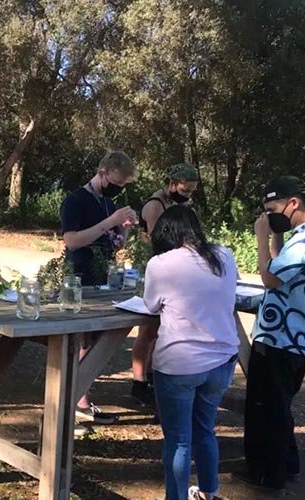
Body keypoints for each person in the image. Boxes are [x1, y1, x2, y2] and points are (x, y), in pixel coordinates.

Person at [233, 177, 305, 491]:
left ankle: (266, 474)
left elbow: (270, 278)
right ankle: (287, 464)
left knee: (266, 406)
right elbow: (283, 267)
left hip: (283, 336)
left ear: (293, 203)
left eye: (271, 210)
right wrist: (276, 236)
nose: (267, 217)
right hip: (292, 333)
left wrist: (261, 239)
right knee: (279, 403)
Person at [143, 205, 239, 500]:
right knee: (205, 430)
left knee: (178, 441)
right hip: (222, 359)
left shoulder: (161, 263)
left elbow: (150, 306)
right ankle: (209, 492)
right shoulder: (224, 255)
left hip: (179, 364)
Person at [60, 150, 138, 425]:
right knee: (78, 339)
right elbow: (71, 241)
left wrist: (125, 227)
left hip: (103, 277)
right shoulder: (75, 200)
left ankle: (78, 399)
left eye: (124, 186)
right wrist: (111, 221)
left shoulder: (107, 203)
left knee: (95, 340)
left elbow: (115, 243)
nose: (118, 189)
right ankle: (69, 402)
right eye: (116, 182)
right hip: (78, 277)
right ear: (103, 173)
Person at [132, 163, 200, 406]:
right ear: (171, 183)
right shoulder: (154, 206)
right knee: (148, 329)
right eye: (184, 190)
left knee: (160, 329)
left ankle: (150, 376)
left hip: (170, 268)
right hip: (154, 268)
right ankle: (138, 381)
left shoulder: (175, 204)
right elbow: (158, 243)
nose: (187, 195)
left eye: (191, 191)